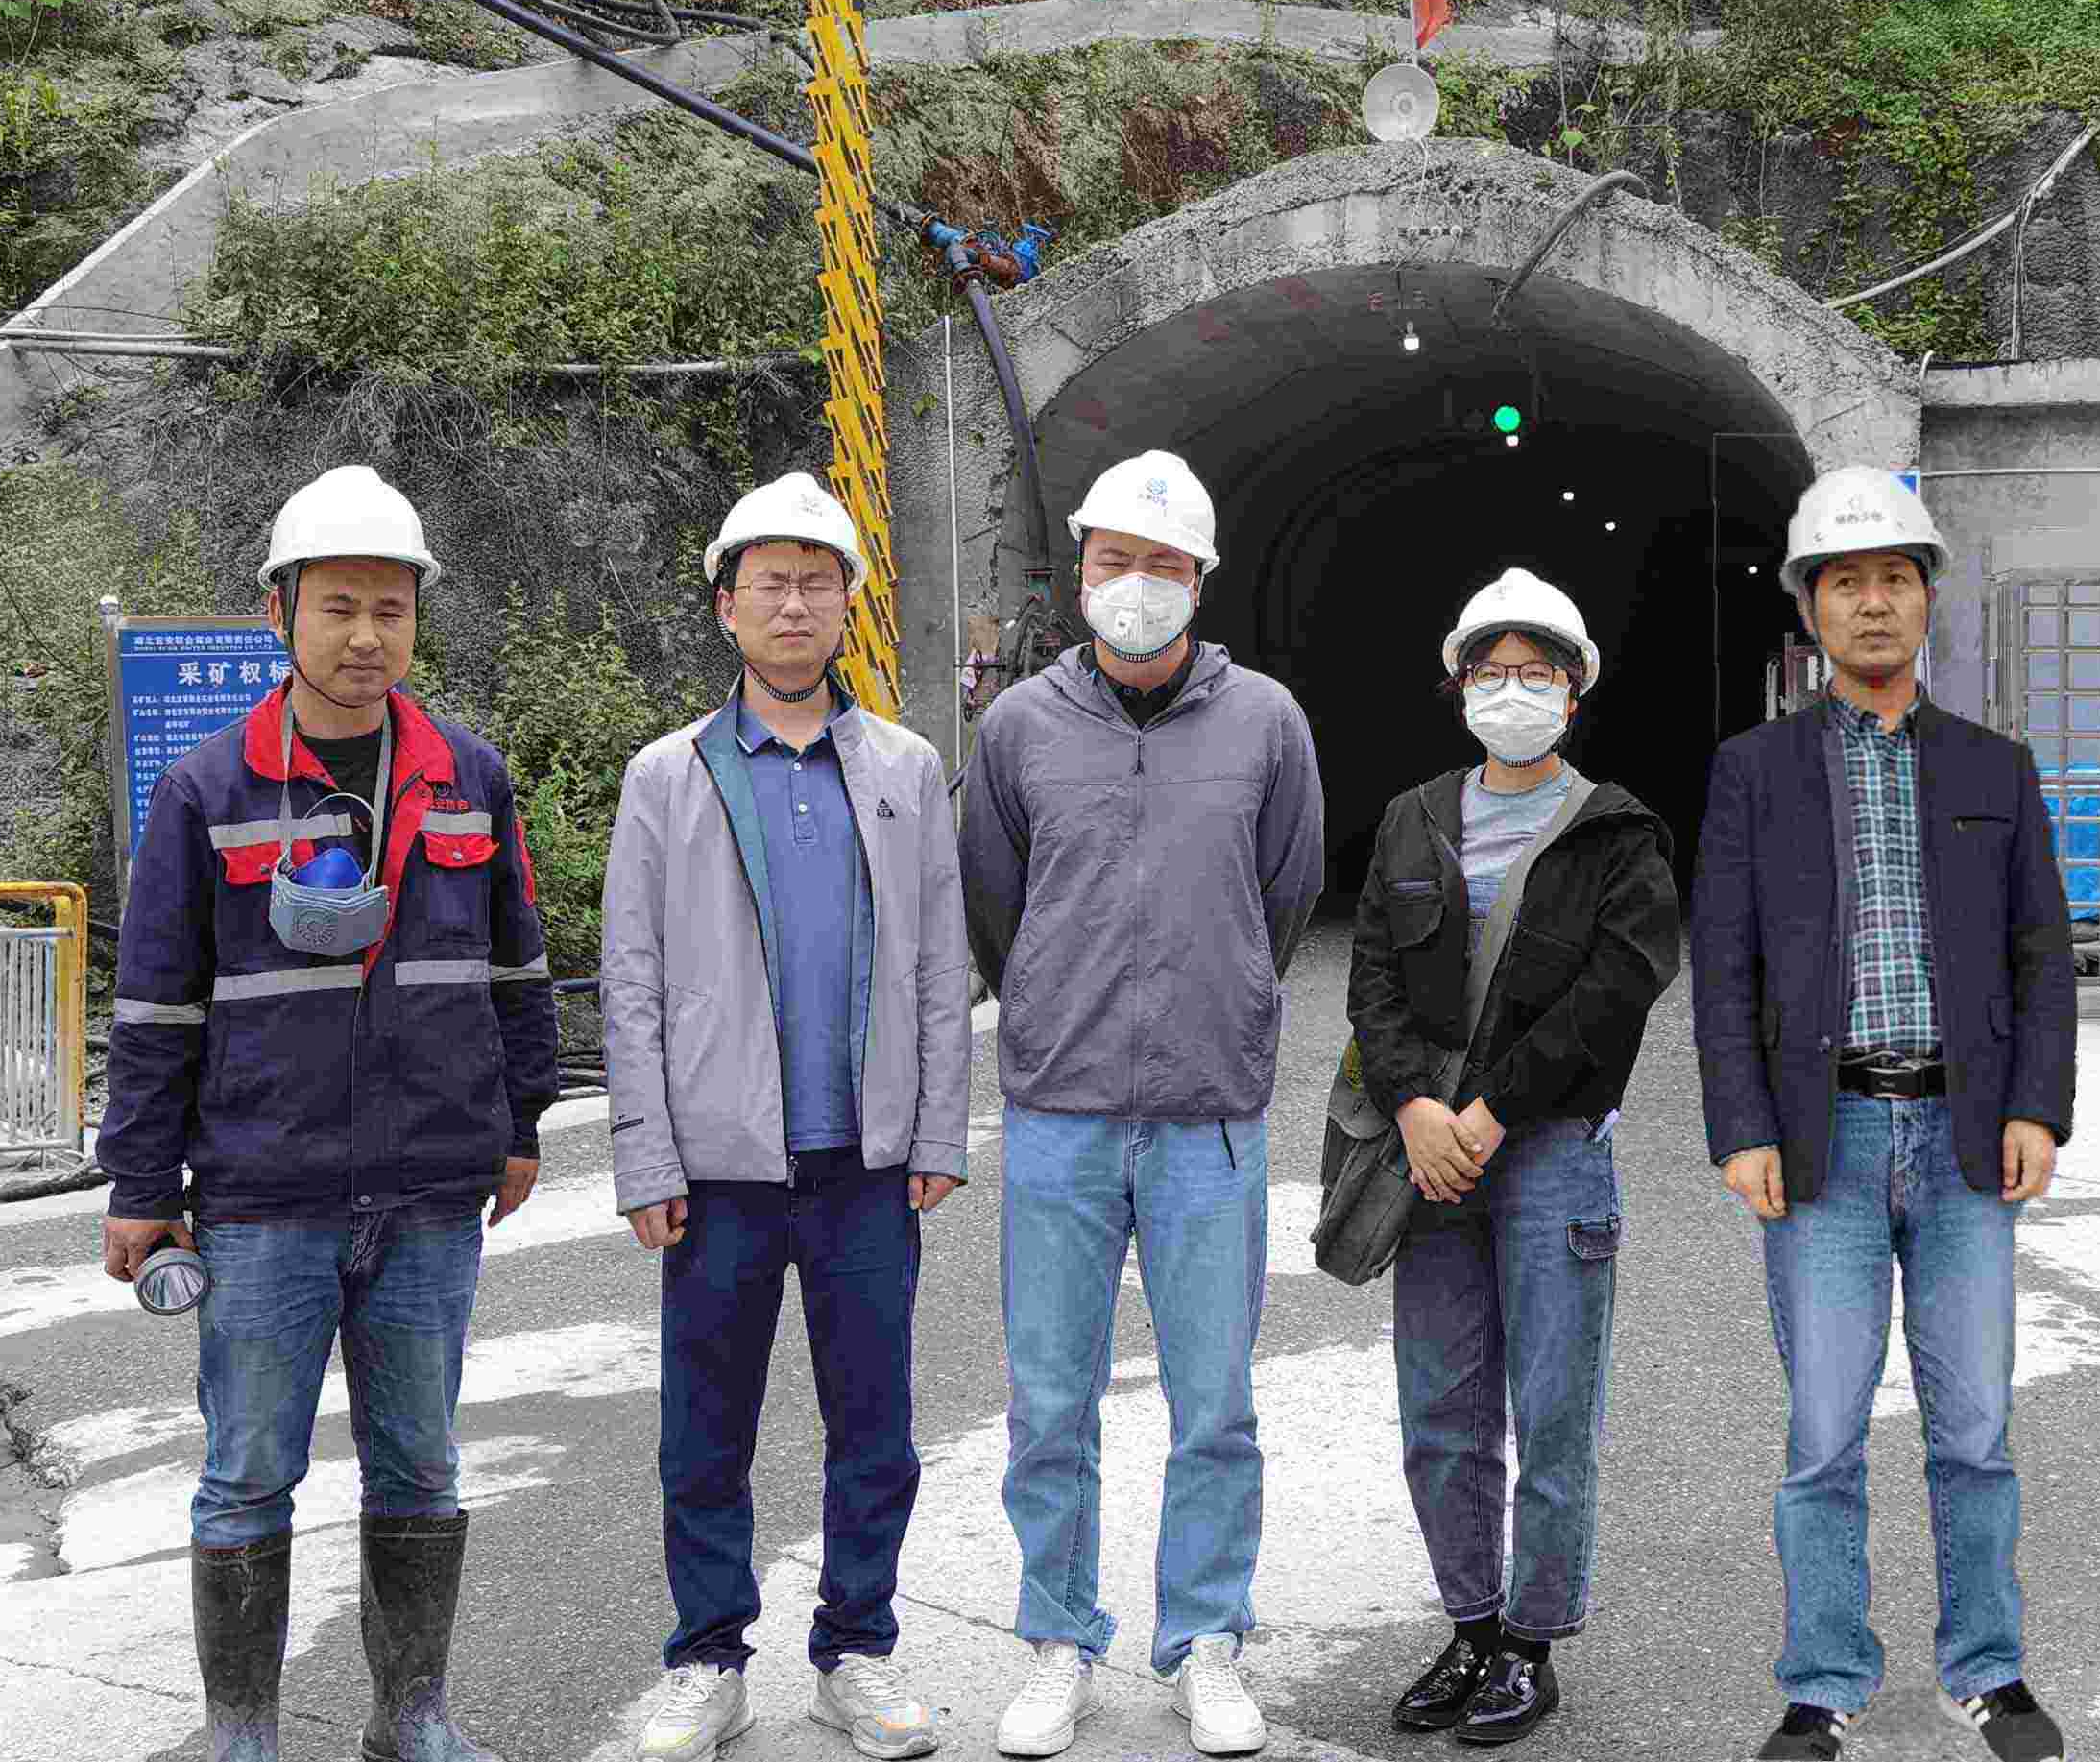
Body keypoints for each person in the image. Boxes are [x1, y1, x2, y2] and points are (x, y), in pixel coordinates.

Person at [95, 463, 557, 1762]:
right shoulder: (209, 789)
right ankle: (243, 1733)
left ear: (417, 619)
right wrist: (141, 1187)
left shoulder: (467, 776)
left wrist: (521, 1124)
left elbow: (518, 969)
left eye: (389, 610)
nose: (365, 636)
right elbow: (156, 1006)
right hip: (263, 1197)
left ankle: (411, 1717)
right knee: (248, 1473)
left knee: (421, 1465)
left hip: (429, 1194)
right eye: (338, 607)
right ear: (279, 613)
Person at [1689, 466, 2078, 1762]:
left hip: (1965, 1144)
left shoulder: (1992, 767)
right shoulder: (1752, 773)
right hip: (1826, 1146)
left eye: (1894, 578)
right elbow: (1723, 964)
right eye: (1845, 581)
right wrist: (1741, 1126)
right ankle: (1822, 1683)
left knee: (1974, 1431)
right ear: (1809, 606)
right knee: (1822, 1437)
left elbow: (2039, 954)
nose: (1871, 602)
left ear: (1925, 599)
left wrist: (2036, 1108)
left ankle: (1987, 1670)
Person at [601, 472, 974, 1762]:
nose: (794, 604)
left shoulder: (904, 770)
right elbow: (631, 977)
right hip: (719, 1167)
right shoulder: (669, 776)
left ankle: (855, 1653)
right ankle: (707, 1657)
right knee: (705, 1430)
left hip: (865, 1160)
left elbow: (939, 962)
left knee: (874, 1425)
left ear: (849, 603)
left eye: (818, 582)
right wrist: (644, 1154)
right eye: (770, 583)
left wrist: (938, 1131)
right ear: (727, 606)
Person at [958, 450, 1325, 1759]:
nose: (1134, 583)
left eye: (1161, 564)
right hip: (1057, 1111)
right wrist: (1054, 1001)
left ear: (1199, 581)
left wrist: (1219, 998)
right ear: (1079, 572)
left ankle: (1204, 1640)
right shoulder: (1017, 729)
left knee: (1212, 1400)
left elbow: (1285, 896)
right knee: (1049, 1398)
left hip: (1206, 1114)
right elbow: (995, 906)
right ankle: (1058, 1638)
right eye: (1113, 559)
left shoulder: (1265, 723)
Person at [1341, 569, 1681, 1746]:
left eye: (1536, 672)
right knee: (1440, 1411)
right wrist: (1412, 1107)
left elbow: (1615, 992)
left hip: (1547, 1153)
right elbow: (1373, 977)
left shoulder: (1617, 831)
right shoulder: (1411, 818)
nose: (1512, 691)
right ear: (1458, 689)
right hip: (1429, 1153)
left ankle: (1531, 1645)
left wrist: (1487, 1113)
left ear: (1574, 691)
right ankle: (1469, 1627)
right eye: (1490, 672)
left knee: (1550, 1411)